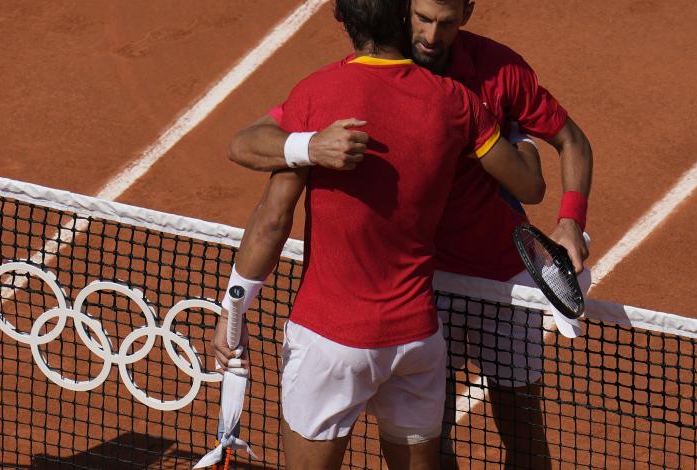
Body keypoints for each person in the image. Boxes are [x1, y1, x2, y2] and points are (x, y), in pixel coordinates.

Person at [228, 1, 594, 468]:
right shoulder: (387, 83)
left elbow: (571, 144)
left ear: (467, 12)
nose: (430, 35)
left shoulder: (499, 72)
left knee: (524, 434)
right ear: (403, 11)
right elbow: (248, 142)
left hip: (500, 283)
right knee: (432, 445)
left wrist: (572, 221)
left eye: (444, 23)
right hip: (428, 290)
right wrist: (311, 145)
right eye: (421, 18)